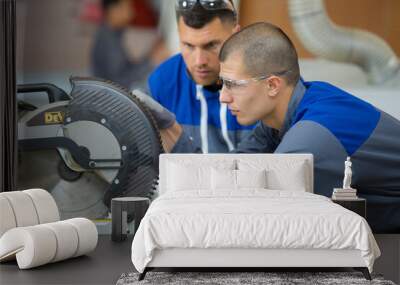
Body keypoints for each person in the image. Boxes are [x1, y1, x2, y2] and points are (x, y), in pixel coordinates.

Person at [215, 22, 400, 233]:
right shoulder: (296, 107)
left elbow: (260, 216)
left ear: (273, 85)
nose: (223, 97)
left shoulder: (314, 135)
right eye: (222, 83)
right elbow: (230, 174)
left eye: (232, 84)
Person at [138, 0, 256, 153]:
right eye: (188, 45)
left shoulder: (262, 81)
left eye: (211, 45)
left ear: (236, 36)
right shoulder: (163, 80)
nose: (199, 61)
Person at [91, 0, 167, 89]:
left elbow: (127, 68)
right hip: (112, 98)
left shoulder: (113, 34)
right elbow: (120, 82)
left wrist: (152, 53)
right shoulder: (108, 40)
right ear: (113, 10)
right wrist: (151, 60)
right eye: (128, 8)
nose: (132, 12)